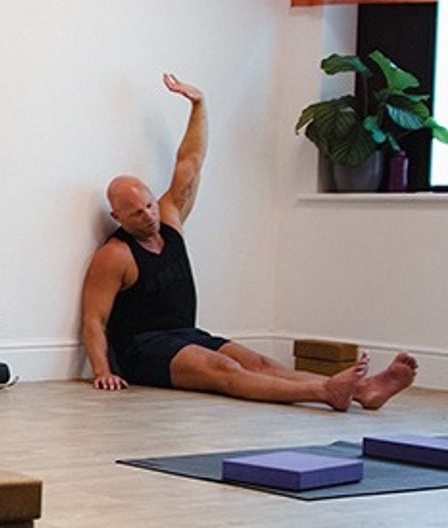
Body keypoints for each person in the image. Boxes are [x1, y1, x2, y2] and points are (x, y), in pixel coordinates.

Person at [81, 73, 416, 408]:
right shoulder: (116, 255)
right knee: (224, 369)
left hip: (186, 335)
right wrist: (102, 371)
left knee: (260, 363)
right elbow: (94, 319)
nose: (149, 216)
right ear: (118, 217)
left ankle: (363, 391)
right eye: (137, 214)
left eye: (150, 205)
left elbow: (190, 163)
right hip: (143, 349)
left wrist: (199, 105)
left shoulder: (169, 218)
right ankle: (324, 392)